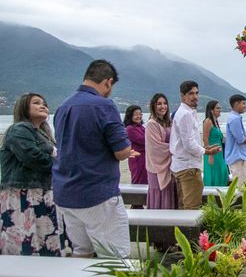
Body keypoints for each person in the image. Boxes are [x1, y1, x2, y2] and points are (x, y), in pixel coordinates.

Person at [52, 60, 137, 258]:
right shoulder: (104, 105)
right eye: (111, 87)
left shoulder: (63, 107)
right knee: (116, 257)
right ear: (108, 82)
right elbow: (122, 150)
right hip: (96, 191)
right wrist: (127, 149)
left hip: (65, 192)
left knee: (82, 252)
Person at [0, 93, 61, 256]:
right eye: (36, 103)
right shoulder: (20, 129)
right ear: (24, 107)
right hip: (22, 195)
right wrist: (60, 165)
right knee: (23, 243)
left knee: (42, 241)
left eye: (44, 103)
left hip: (40, 193)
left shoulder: (42, 134)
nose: (43, 106)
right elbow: (32, 157)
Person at [170, 81, 218, 209]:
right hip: (189, 168)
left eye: (196, 93)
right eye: (191, 93)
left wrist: (203, 148)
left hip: (182, 166)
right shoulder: (185, 114)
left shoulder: (187, 112)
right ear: (182, 96)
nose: (195, 96)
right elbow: (189, 145)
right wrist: (207, 152)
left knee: (184, 207)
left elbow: (188, 142)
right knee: (192, 209)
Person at [145, 93, 177, 210]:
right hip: (157, 167)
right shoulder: (151, 124)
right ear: (153, 106)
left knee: (170, 194)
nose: (163, 106)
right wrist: (176, 149)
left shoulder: (168, 122)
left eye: (165, 103)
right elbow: (156, 148)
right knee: (160, 194)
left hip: (169, 166)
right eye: (159, 104)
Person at [224, 94, 246, 187]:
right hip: (237, 156)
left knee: (240, 184)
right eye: (243, 103)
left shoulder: (234, 117)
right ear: (236, 104)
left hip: (237, 156)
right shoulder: (235, 119)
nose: (245, 106)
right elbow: (240, 139)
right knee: (240, 186)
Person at [202, 99, 228, 186]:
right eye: (217, 108)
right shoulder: (208, 121)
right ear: (211, 110)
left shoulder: (216, 122)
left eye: (220, 108)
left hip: (219, 153)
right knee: (213, 174)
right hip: (212, 153)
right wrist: (210, 154)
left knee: (222, 172)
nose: (220, 110)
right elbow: (205, 139)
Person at [124, 105, 148, 185]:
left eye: (140, 114)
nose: (139, 116)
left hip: (145, 158)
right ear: (130, 115)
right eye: (136, 114)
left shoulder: (141, 127)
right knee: (138, 180)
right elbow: (144, 140)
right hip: (138, 159)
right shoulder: (130, 129)